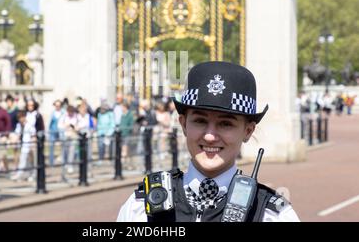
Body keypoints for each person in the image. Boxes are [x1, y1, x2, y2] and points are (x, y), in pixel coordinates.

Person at [117, 61, 300, 222]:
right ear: (183, 124)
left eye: (225, 124)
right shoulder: (141, 207)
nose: (210, 136)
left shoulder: (272, 215)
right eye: (200, 121)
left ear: (248, 131)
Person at [11, 110, 36, 182]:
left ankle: (30, 175)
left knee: (29, 161)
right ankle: (23, 175)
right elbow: (17, 134)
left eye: (22, 117)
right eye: (19, 118)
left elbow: (33, 135)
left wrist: (32, 145)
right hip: (23, 146)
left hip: (29, 145)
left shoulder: (29, 125)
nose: (20, 119)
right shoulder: (19, 126)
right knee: (23, 160)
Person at [48, 100, 64, 167]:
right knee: (51, 146)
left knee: (63, 145)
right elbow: (49, 123)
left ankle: (63, 160)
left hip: (61, 131)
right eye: (56, 105)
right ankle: (51, 162)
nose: (57, 107)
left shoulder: (63, 112)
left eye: (59, 106)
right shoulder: (52, 113)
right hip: (53, 131)